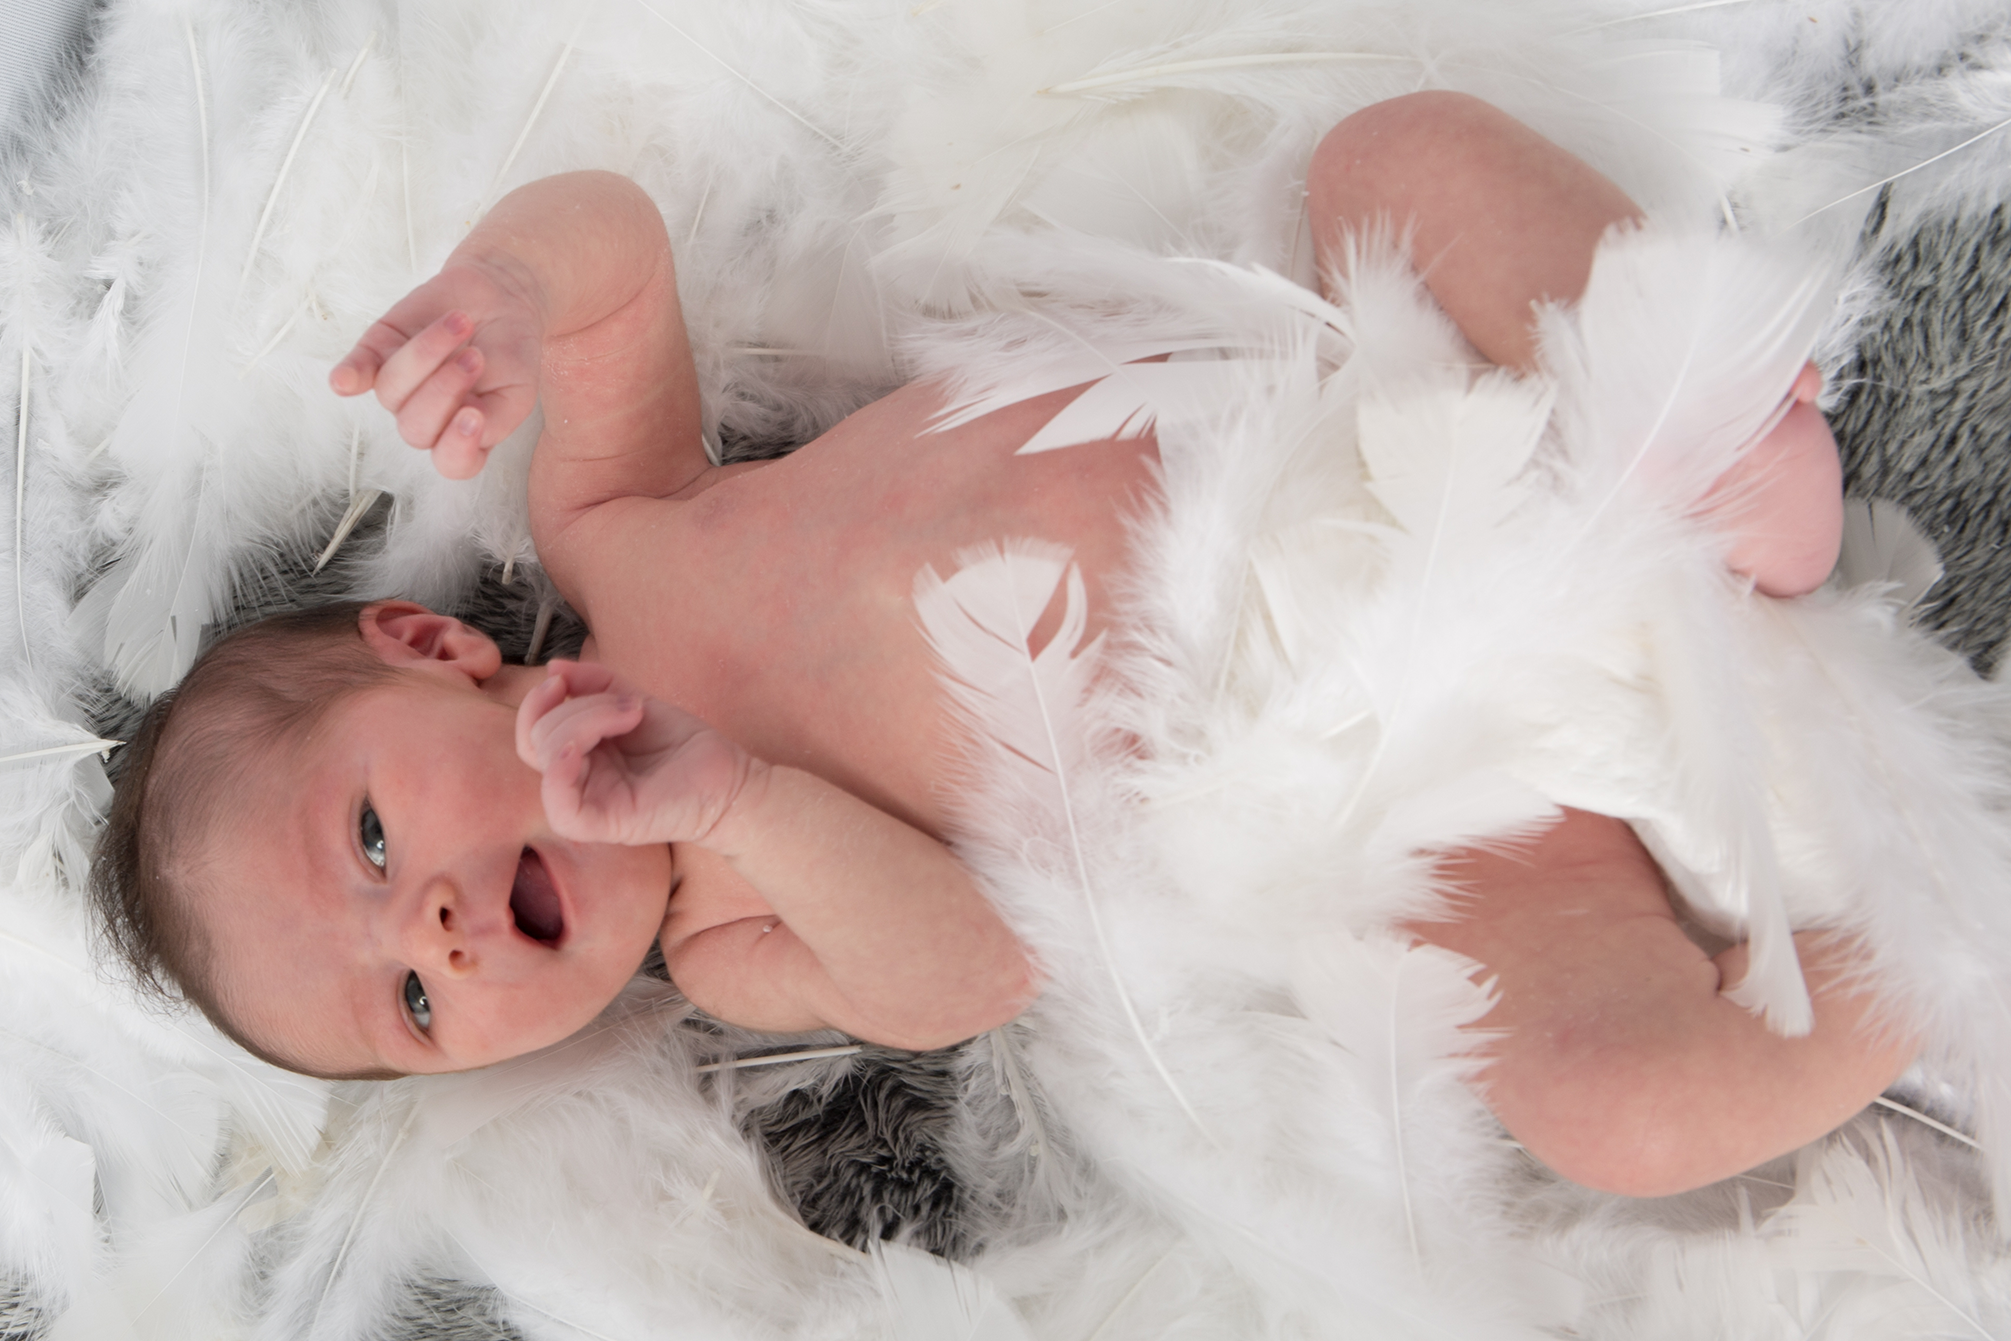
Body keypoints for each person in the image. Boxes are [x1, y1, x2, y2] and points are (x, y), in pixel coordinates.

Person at [91, 91, 1912, 1198]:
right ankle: (1935, 959)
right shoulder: (731, 935)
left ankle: (1706, 451)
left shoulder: (616, 528)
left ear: (425, 644)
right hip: (1413, 790)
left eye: (370, 841)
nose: (430, 933)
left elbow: (620, 255)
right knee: (1604, 1107)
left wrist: (504, 286)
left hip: (1393, 427)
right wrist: (730, 804)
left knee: (1390, 157)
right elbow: (969, 967)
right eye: (413, 1008)